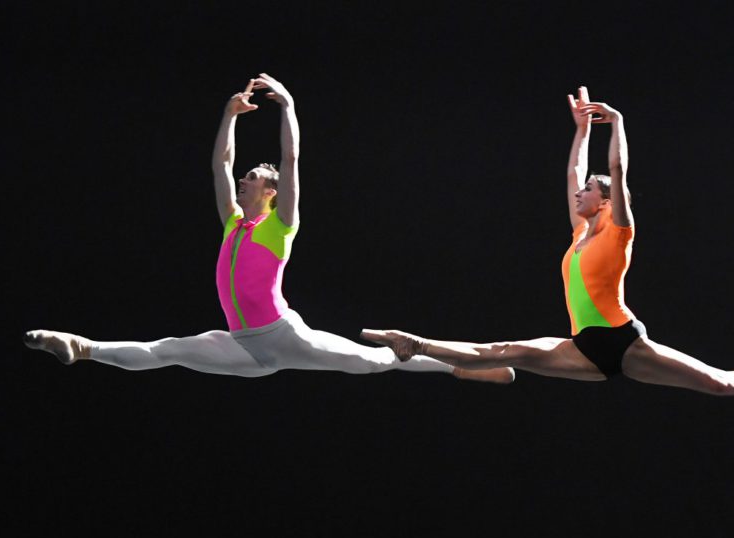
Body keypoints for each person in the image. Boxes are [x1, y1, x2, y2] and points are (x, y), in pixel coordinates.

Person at [362, 87, 734, 413]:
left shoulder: (618, 228)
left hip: (623, 341)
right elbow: (575, 173)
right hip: (581, 349)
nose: (578, 195)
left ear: (604, 198)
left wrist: (616, 123)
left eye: (587, 193)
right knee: (501, 351)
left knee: (719, 384)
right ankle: (416, 343)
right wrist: (581, 130)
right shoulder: (579, 233)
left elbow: (616, 171)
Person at [25, 74, 513, 385]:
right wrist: (229, 116)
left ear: (272, 192)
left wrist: (289, 107)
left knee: (373, 362)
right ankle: (81, 347)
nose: (242, 180)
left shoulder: (280, 225)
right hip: (240, 344)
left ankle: (459, 366)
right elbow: (220, 163)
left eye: (251, 179)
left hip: (282, 336)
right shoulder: (233, 224)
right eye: (245, 178)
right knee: (166, 351)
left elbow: (291, 158)